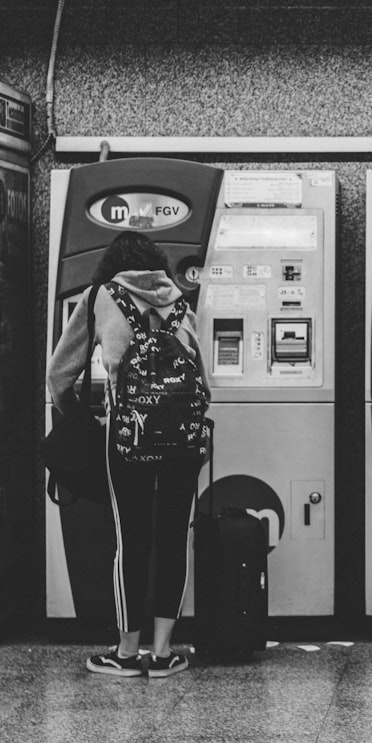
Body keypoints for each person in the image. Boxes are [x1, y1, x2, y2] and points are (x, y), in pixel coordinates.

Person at [47, 230, 210, 678]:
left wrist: (82, 421)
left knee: (131, 541)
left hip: (128, 440)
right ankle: (162, 654)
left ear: (112, 263)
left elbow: (59, 375)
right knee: (174, 538)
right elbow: (204, 385)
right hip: (184, 443)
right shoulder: (178, 299)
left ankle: (125, 652)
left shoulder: (101, 295)